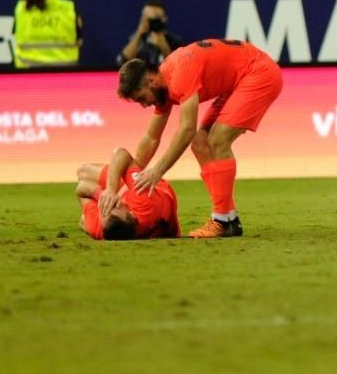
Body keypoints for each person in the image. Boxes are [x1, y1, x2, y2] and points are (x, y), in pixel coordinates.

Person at [119, 38, 284, 242]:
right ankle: (229, 218)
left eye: (141, 98)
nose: (144, 105)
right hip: (240, 79)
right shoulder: (162, 84)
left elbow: (187, 129)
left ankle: (222, 220)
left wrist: (157, 171)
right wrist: (130, 182)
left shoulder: (180, 74)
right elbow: (151, 138)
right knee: (201, 141)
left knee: (218, 140)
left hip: (259, 73)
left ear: (151, 81)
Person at [75, 148, 181, 242]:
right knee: (83, 173)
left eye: (106, 208)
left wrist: (102, 195)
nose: (108, 204)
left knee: (82, 173)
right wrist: (110, 191)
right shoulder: (143, 200)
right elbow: (122, 154)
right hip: (157, 188)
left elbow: (81, 187)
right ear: (131, 214)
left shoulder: (98, 228)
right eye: (115, 205)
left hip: (153, 216)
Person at [11, 0, 81, 68]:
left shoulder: (21, 8)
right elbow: (79, 41)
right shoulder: (69, 7)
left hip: (28, 73)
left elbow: (16, 35)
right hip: (64, 72)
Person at [118, 1, 185, 67]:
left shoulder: (175, 41)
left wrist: (164, 47)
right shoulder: (135, 39)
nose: (153, 22)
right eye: (148, 18)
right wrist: (139, 33)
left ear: (165, 19)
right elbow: (123, 62)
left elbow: (179, 67)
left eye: (156, 18)